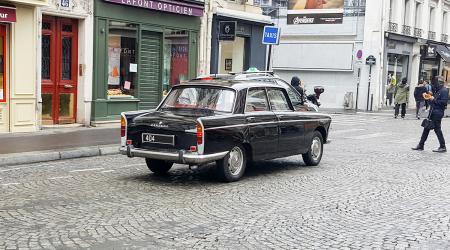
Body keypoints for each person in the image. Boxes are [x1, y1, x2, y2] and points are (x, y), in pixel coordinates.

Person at [412, 76, 449, 153]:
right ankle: (421, 145)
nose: (434, 85)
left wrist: (433, 99)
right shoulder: (438, 91)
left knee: (437, 129)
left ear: (439, 82)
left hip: (438, 113)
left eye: (435, 82)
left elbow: (443, 103)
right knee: (426, 127)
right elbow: (432, 102)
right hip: (432, 112)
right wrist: (428, 98)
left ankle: (442, 146)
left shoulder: (444, 91)